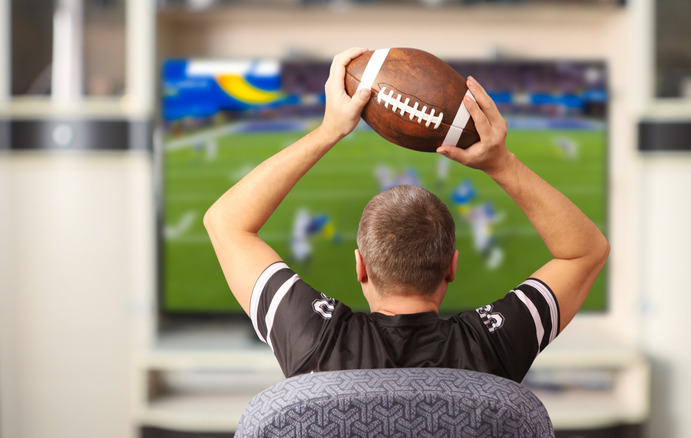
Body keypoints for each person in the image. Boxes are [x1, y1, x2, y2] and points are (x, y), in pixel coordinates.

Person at [204, 48, 609, 384]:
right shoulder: (490, 348)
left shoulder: (316, 340)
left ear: (361, 266)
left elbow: (225, 223)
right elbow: (585, 252)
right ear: (452, 266)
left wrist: (328, 130)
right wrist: (501, 163)